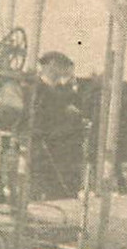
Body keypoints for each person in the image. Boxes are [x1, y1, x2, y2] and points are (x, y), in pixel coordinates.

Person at [29, 52, 87, 201]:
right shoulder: (37, 88)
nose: (64, 70)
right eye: (61, 66)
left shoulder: (62, 91)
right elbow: (38, 117)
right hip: (44, 148)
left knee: (61, 189)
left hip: (63, 151)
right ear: (51, 65)